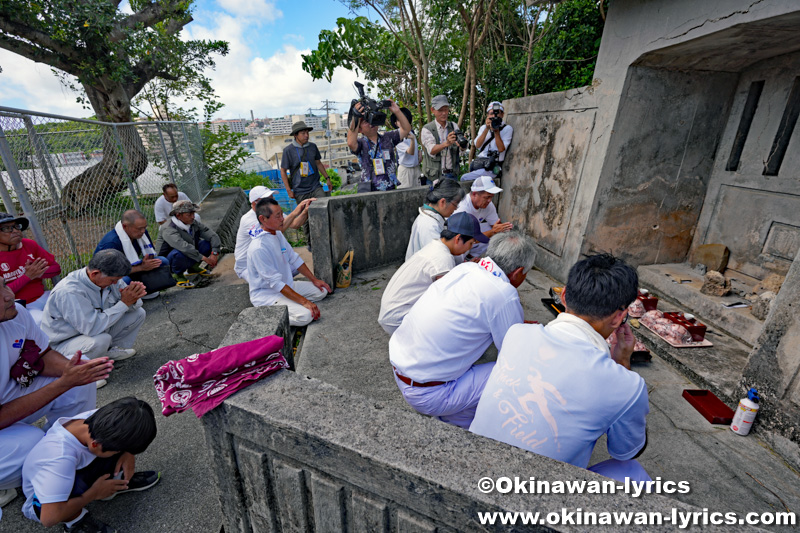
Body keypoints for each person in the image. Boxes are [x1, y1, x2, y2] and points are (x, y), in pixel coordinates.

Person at [470, 254, 651, 483]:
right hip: (532, 501)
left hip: (474, 470)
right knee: (634, 474)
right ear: (619, 317)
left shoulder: (517, 333)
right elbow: (625, 451)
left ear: (564, 295)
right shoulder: (627, 384)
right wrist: (623, 364)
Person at [389, 231, 536, 429]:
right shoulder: (503, 293)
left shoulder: (466, 268)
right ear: (518, 272)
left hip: (402, 371)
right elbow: (513, 352)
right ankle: (465, 422)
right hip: (429, 394)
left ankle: (458, 415)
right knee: (519, 371)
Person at [0, 277, 111, 511]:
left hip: (7, 398)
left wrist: (73, 373)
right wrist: (63, 383)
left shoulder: (14, 311)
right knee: (31, 444)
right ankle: (43, 493)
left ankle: (70, 454)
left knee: (81, 374)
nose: (9, 295)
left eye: (3, 284)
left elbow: (42, 354)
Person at [21, 397, 159, 532]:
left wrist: (128, 454)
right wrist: (93, 494)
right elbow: (49, 518)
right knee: (69, 487)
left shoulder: (103, 420)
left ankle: (114, 484)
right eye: (119, 450)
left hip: (73, 469)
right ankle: (75, 522)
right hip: (44, 503)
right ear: (95, 444)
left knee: (116, 443)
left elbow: (126, 432)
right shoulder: (59, 459)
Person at [379, 213, 486, 335]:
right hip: (397, 318)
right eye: (471, 243)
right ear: (458, 239)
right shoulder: (443, 259)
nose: (469, 248)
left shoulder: (437, 246)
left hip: (391, 310)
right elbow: (449, 301)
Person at [42, 250, 147, 369]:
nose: (116, 283)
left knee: (138, 313)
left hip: (89, 332)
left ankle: (108, 352)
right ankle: (83, 371)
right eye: (113, 280)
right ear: (94, 273)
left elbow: (134, 305)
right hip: (63, 344)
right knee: (101, 340)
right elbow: (91, 328)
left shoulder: (108, 277)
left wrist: (134, 296)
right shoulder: (69, 291)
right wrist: (124, 303)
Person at [247, 197, 332, 326]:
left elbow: (294, 258)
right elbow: (275, 283)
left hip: (286, 285)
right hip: (267, 296)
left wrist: (314, 280)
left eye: (281, 214)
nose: (282, 219)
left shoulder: (277, 233)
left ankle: (291, 303)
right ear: (262, 219)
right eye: (277, 216)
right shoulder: (259, 248)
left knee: (321, 291)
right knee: (306, 316)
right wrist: (304, 302)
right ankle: (266, 317)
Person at [233, 186, 314, 283]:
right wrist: (295, 211)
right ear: (256, 203)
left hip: (265, 258)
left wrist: (305, 211)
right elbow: (278, 230)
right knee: (270, 282)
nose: (272, 201)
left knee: (294, 266)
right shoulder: (248, 220)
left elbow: (295, 224)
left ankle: (284, 287)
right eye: (269, 199)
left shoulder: (271, 212)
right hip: (247, 266)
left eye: (272, 198)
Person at [94, 210, 173, 299]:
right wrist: (142, 267)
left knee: (161, 261)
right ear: (125, 226)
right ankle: (124, 299)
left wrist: (148, 261)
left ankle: (148, 289)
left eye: (145, 227)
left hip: (131, 267)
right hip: (110, 275)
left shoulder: (142, 233)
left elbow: (150, 253)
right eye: (139, 228)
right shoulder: (111, 243)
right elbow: (110, 272)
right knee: (125, 280)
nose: (143, 231)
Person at [0, 213, 61, 325]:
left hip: (43, 295)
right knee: (44, 322)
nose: (15, 231)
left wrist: (38, 273)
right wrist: (27, 277)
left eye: (16, 226)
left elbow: (56, 268)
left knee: (75, 304)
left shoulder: (28, 245)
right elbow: (2, 293)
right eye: (6, 228)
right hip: (20, 306)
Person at [280, 121, 332, 245]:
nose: (306, 135)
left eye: (307, 132)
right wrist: (288, 190)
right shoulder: (288, 150)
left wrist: (327, 178)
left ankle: (326, 238)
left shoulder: (312, 147)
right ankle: (311, 243)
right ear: (296, 135)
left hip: (315, 185)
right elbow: (283, 171)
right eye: (303, 133)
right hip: (300, 189)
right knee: (306, 217)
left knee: (324, 207)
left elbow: (318, 163)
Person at [347, 99, 411, 192]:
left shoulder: (388, 137)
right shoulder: (361, 143)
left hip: (390, 188)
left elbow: (406, 129)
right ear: (360, 129)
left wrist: (397, 110)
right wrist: (355, 117)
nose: (370, 123)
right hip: (369, 191)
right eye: (366, 122)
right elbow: (350, 143)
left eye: (372, 119)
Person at [157, 200, 221, 287]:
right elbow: (183, 247)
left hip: (187, 253)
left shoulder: (193, 223)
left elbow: (212, 236)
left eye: (193, 213)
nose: (193, 217)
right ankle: (177, 275)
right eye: (189, 215)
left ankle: (193, 267)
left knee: (206, 244)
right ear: (178, 215)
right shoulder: (168, 228)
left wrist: (214, 253)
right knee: (179, 253)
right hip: (169, 262)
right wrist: (204, 258)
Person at [453, 175, 513, 258]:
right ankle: (462, 259)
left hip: (468, 235)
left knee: (491, 230)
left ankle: (471, 256)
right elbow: (462, 238)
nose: (489, 200)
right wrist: (493, 231)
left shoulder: (489, 205)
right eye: (487, 197)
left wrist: (505, 230)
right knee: (490, 232)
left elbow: (496, 225)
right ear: (474, 194)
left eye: (491, 197)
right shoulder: (463, 208)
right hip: (456, 240)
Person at [405, 179, 465, 260]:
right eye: (455, 204)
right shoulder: (429, 226)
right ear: (442, 202)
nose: (455, 209)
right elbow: (440, 258)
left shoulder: (434, 217)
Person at [460, 101, 513, 182]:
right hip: (481, 164)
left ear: (502, 114)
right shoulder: (483, 128)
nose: (494, 116)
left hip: (492, 167)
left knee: (464, 178)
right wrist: (487, 129)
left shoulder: (507, 129)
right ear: (487, 115)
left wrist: (496, 131)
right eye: (491, 113)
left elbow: (501, 149)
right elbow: (477, 145)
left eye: (497, 113)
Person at [420, 95, 467, 182]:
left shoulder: (453, 126)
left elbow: (461, 152)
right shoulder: (427, 129)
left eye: (446, 109)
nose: (444, 113)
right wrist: (447, 143)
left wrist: (462, 146)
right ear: (432, 110)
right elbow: (431, 150)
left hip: (452, 175)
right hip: (434, 177)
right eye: (440, 110)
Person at [393, 107, 421, 188]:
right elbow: (410, 152)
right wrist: (412, 140)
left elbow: (415, 150)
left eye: (404, 119)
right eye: (399, 120)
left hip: (416, 168)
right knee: (405, 197)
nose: (402, 122)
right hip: (406, 170)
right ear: (396, 123)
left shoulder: (411, 132)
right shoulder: (397, 137)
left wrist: (419, 153)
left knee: (418, 195)